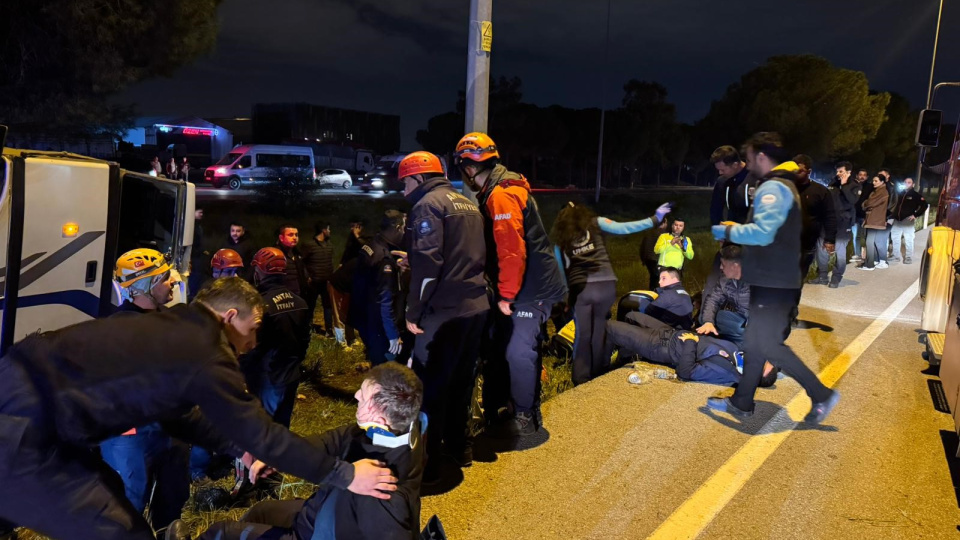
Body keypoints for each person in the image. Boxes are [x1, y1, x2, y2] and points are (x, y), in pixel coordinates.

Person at [0, 277, 397, 540]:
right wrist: (344, 475)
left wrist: (239, 449)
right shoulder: (206, 351)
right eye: (254, 327)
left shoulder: (175, 329)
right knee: (116, 530)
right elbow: (263, 434)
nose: (255, 340)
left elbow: (175, 413)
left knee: (110, 500)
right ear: (229, 317)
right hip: (22, 434)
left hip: (29, 408)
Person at [167, 363, 425, 540]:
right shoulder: (386, 431)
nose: (356, 394)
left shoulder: (384, 488)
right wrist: (278, 458)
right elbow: (327, 442)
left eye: (364, 395)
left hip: (317, 532)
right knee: (262, 510)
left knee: (221, 532)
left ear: (379, 414)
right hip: (320, 510)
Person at [708, 132, 839, 424]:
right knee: (756, 343)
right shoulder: (781, 186)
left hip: (774, 282)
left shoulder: (774, 189)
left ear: (762, 157)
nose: (748, 163)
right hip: (773, 279)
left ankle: (820, 393)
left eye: (751, 157)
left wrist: (727, 231)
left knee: (767, 345)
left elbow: (763, 233)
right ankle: (742, 402)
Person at [457, 132, 567, 437]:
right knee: (511, 347)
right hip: (530, 283)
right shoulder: (500, 189)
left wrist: (506, 294)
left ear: (468, 167)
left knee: (519, 351)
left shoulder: (501, 195)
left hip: (530, 288)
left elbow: (511, 251)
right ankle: (515, 406)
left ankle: (525, 417)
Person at [397, 151, 487, 476]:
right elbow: (463, 254)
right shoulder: (466, 202)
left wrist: (413, 311)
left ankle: (431, 464)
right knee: (462, 382)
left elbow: (429, 265)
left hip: (443, 314)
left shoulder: (427, 205)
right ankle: (461, 449)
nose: (403, 188)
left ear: (419, 178)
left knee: (431, 387)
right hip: (475, 307)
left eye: (405, 181)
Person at [100, 250, 188, 536]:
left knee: (172, 500)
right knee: (126, 508)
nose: (173, 282)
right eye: (165, 278)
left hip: (170, 430)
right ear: (145, 286)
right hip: (130, 436)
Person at [552, 201, 672, 385]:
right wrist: (654, 219)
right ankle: (598, 375)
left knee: (583, 335)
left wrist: (565, 300)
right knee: (600, 330)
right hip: (605, 285)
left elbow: (561, 276)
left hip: (582, 288)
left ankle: (580, 379)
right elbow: (625, 228)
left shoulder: (560, 241)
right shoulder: (596, 222)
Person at [605, 316, 778, 387]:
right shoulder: (739, 355)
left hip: (662, 347)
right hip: (669, 332)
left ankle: (597, 370)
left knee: (609, 327)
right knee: (631, 314)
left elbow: (686, 372)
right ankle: (621, 358)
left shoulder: (726, 373)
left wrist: (690, 342)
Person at [244, 248, 312, 428]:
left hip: (267, 377)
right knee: (282, 426)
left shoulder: (260, 305)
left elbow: (254, 347)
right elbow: (305, 340)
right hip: (290, 374)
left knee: (263, 428)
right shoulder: (300, 303)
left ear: (260, 272)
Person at [349, 211, 406, 366]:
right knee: (385, 370)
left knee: (377, 365)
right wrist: (392, 334)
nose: (404, 232)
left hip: (364, 317)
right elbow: (384, 301)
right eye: (404, 228)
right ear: (397, 227)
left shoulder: (371, 245)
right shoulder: (384, 259)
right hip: (379, 326)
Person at [811, 162, 860, 287]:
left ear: (849, 172)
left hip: (843, 224)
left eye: (841, 172)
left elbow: (852, 200)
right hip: (827, 221)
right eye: (837, 171)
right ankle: (822, 276)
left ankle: (836, 278)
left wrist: (844, 186)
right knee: (822, 249)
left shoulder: (855, 186)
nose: (838, 174)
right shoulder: (833, 183)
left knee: (840, 252)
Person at [697, 244, 749, 345]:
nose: (720, 267)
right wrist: (708, 322)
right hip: (741, 319)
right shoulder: (724, 280)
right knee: (709, 317)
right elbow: (713, 299)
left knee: (737, 326)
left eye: (723, 264)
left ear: (735, 266)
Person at [709, 145, 758, 226]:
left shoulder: (754, 178)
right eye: (718, 170)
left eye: (723, 169)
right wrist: (718, 229)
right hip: (730, 234)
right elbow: (715, 209)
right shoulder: (722, 181)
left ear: (735, 165)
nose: (720, 173)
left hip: (752, 233)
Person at [301, 222, 335, 335]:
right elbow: (302, 262)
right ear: (323, 230)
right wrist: (307, 277)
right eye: (328, 229)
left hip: (326, 281)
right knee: (310, 305)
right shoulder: (309, 245)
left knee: (328, 306)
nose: (330, 232)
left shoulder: (329, 245)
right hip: (313, 282)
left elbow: (330, 262)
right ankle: (307, 327)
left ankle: (329, 330)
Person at [890, 177, 928, 264]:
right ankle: (896, 256)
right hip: (897, 219)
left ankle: (908, 257)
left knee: (909, 239)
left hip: (907, 220)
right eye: (905, 182)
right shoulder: (900, 194)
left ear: (913, 184)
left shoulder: (916, 195)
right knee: (895, 238)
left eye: (909, 182)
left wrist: (915, 215)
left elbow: (924, 205)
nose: (906, 184)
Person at [858, 175, 890, 271]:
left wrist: (864, 204)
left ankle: (869, 264)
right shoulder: (878, 191)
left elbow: (870, 202)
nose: (873, 182)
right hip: (874, 218)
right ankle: (873, 261)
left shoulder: (882, 192)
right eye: (873, 180)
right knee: (871, 241)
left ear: (882, 182)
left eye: (876, 181)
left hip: (874, 219)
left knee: (869, 241)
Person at [275, 224, 310, 297]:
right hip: (284, 297)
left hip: (299, 295)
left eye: (296, 235)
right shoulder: (275, 254)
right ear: (281, 238)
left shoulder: (297, 253)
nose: (295, 238)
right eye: (290, 235)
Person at [639, 218, 668, 290]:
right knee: (658, 278)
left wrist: (643, 260)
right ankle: (656, 295)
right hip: (656, 259)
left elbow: (642, 247)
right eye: (666, 222)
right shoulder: (663, 233)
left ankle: (652, 293)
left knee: (653, 277)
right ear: (663, 223)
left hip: (648, 259)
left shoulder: (649, 233)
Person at [188, 209, 208, 300]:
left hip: (197, 255)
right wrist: (200, 251)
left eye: (202, 212)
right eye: (199, 212)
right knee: (195, 277)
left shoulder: (198, 225)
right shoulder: (191, 226)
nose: (202, 214)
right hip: (194, 256)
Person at [853, 168, 872, 262]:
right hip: (853, 216)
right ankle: (857, 254)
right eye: (860, 174)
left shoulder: (870, 187)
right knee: (855, 236)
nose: (862, 176)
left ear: (867, 177)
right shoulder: (852, 185)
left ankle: (866, 255)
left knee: (865, 236)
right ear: (857, 176)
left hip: (864, 216)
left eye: (864, 175)